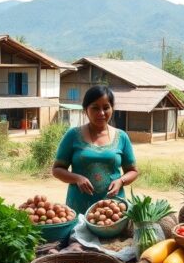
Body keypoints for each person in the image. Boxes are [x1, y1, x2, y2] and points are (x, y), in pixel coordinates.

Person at [52, 85, 139, 214]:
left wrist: (121, 181)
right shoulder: (73, 135)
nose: (101, 113)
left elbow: (133, 171)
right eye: (95, 108)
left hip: (113, 209)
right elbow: (57, 169)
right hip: (79, 205)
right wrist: (77, 178)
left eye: (106, 107)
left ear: (112, 108)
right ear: (85, 109)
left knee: (113, 227)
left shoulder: (122, 137)